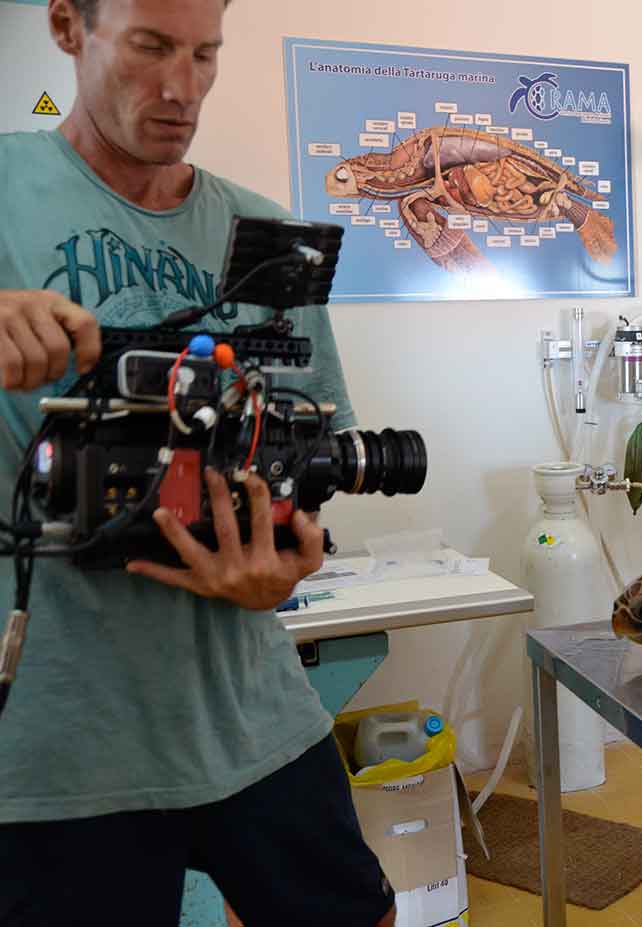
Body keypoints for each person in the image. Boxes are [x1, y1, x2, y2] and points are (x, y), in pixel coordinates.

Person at [0, 2, 396, 924]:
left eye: (204, 53)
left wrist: (293, 558)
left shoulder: (264, 237)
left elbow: (308, 458)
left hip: (250, 708)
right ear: (68, 27)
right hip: (62, 745)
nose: (182, 88)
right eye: (148, 47)